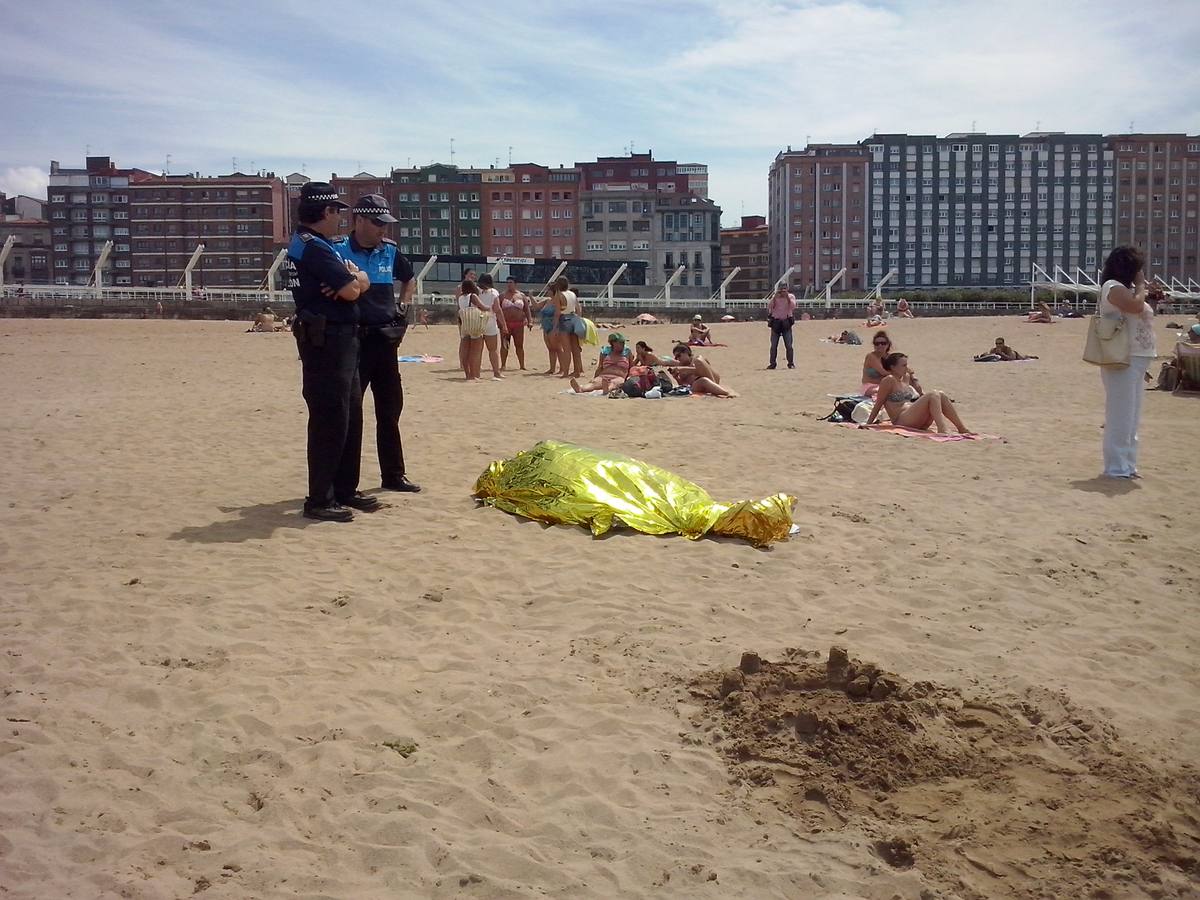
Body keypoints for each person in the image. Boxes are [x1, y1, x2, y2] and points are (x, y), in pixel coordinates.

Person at [286, 182, 374, 522]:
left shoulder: (322, 246)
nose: (340, 217)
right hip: (326, 342)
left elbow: (356, 283)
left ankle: (344, 489)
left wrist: (356, 277)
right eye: (337, 211)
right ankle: (320, 498)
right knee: (330, 419)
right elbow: (352, 291)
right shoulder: (313, 247)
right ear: (325, 212)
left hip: (343, 340)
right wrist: (354, 281)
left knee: (349, 415)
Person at [333, 194, 420, 494]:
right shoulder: (337, 249)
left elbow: (409, 278)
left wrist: (404, 307)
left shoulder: (390, 252)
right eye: (377, 223)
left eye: (385, 223)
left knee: (390, 411)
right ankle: (347, 485)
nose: (383, 229)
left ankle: (394, 475)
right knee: (352, 415)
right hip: (354, 344)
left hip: (385, 342)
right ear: (358, 220)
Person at [1097, 245, 1158, 478]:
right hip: (1121, 358)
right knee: (1120, 415)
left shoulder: (1126, 289)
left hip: (1137, 357)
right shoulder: (1113, 287)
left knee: (1132, 417)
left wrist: (1144, 290)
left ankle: (1128, 464)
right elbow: (1134, 306)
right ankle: (1116, 466)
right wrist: (1141, 286)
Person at [862, 353, 971, 434]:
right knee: (933, 394)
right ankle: (942, 428)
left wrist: (914, 378)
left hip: (915, 418)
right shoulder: (888, 380)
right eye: (903, 365)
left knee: (940, 394)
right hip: (901, 420)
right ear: (893, 367)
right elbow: (879, 403)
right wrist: (869, 423)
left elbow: (920, 393)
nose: (906, 368)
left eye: (906, 365)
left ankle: (961, 428)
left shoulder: (906, 378)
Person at [861, 331, 922, 397]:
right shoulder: (871, 356)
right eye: (877, 343)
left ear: (888, 344)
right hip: (870, 386)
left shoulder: (889, 357)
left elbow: (905, 367)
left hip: (885, 385)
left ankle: (921, 395)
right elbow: (884, 373)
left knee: (907, 376)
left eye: (883, 343)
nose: (880, 345)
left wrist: (913, 377)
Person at [669, 343, 738, 397]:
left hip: (711, 379)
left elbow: (702, 370)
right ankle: (726, 393)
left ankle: (715, 386)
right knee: (703, 380)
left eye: (679, 356)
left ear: (686, 352)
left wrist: (684, 369)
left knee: (699, 360)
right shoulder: (680, 367)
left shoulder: (694, 362)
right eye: (676, 357)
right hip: (697, 384)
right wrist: (676, 378)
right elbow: (683, 385)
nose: (678, 359)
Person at [550, 275, 585, 378]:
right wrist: (579, 319)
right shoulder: (572, 294)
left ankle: (565, 372)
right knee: (576, 348)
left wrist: (554, 327)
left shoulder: (559, 295)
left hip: (564, 319)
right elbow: (578, 309)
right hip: (574, 318)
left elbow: (557, 313)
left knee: (566, 349)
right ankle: (577, 371)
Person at [457, 279, 489, 381]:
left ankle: (467, 374)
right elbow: (483, 307)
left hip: (465, 325)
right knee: (474, 352)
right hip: (474, 325)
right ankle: (474, 375)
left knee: (465, 351)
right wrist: (490, 307)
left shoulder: (461, 298)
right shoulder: (473, 296)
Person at [476, 273, 507, 379]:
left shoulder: (475, 291)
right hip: (490, 321)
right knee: (493, 350)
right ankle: (496, 372)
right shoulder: (493, 293)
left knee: (478, 350)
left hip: (477, 321)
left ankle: (476, 373)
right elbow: (497, 310)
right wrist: (504, 325)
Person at [499, 277, 532, 370]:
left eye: (511, 282)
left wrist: (530, 321)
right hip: (506, 324)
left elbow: (527, 309)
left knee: (519, 345)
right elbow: (497, 309)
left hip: (518, 324)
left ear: (515, 284)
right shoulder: (502, 295)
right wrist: (499, 322)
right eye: (508, 282)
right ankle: (503, 365)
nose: (509, 284)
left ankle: (522, 365)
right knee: (505, 344)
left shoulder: (521, 295)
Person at [766, 283, 796, 369]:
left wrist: (787, 297)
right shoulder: (775, 297)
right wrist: (775, 297)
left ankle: (791, 363)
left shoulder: (791, 296)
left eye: (784, 288)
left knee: (789, 345)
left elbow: (793, 307)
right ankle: (772, 363)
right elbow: (770, 306)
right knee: (773, 346)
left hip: (786, 322)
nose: (783, 291)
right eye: (781, 289)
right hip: (776, 323)